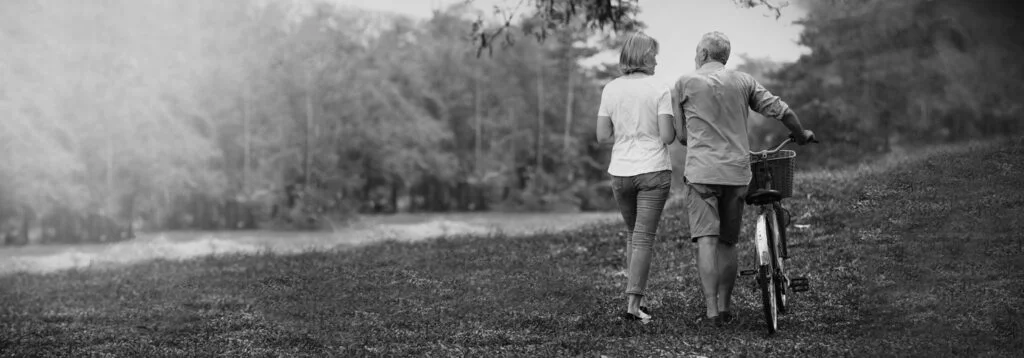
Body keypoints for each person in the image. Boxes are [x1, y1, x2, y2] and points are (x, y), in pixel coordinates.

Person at [672, 32, 815, 327]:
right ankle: (726, 307)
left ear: (702, 54)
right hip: (736, 173)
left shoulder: (684, 83)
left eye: (696, 51)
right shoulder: (744, 82)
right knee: (728, 242)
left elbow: (682, 137)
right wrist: (801, 135)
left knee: (707, 241)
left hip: (701, 173)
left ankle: (712, 312)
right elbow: (783, 111)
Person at [596, 32, 678, 322]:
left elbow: (602, 135)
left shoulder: (611, 89)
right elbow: (667, 136)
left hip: (621, 172)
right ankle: (633, 306)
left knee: (634, 234)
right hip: (653, 169)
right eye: (654, 54)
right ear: (644, 56)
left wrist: (626, 131)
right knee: (643, 238)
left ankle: (634, 300)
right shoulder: (660, 88)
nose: (657, 60)